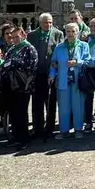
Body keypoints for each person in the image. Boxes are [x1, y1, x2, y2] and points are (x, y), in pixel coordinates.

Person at [50, 22, 92, 139]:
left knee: (78, 106)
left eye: (73, 31)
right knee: (63, 107)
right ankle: (64, 131)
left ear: (77, 32)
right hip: (63, 80)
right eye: (68, 31)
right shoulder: (59, 47)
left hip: (78, 81)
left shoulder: (84, 45)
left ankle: (78, 129)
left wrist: (77, 63)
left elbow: (89, 62)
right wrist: (51, 75)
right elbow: (53, 63)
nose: (70, 34)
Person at [27, 13, 64, 141]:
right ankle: (38, 128)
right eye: (45, 22)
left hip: (52, 73)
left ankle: (49, 128)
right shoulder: (31, 35)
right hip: (37, 74)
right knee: (37, 102)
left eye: (50, 22)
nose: (48, 25)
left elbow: (61, 51)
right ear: (40, 22)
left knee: (51, 101)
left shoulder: (58, 34)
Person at [1, 26, 38, 150]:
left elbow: (33, 67)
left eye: (17, 37)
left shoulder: (29, 48)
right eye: (13, 37)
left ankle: (24, 139)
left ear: (23, 35)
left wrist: (28, 83)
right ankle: (15, 137)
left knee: (22, 112)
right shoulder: (11, 49)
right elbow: (5, 63)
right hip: (11, 85)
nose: (15, 39)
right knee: (13, 112)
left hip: (23, 85)